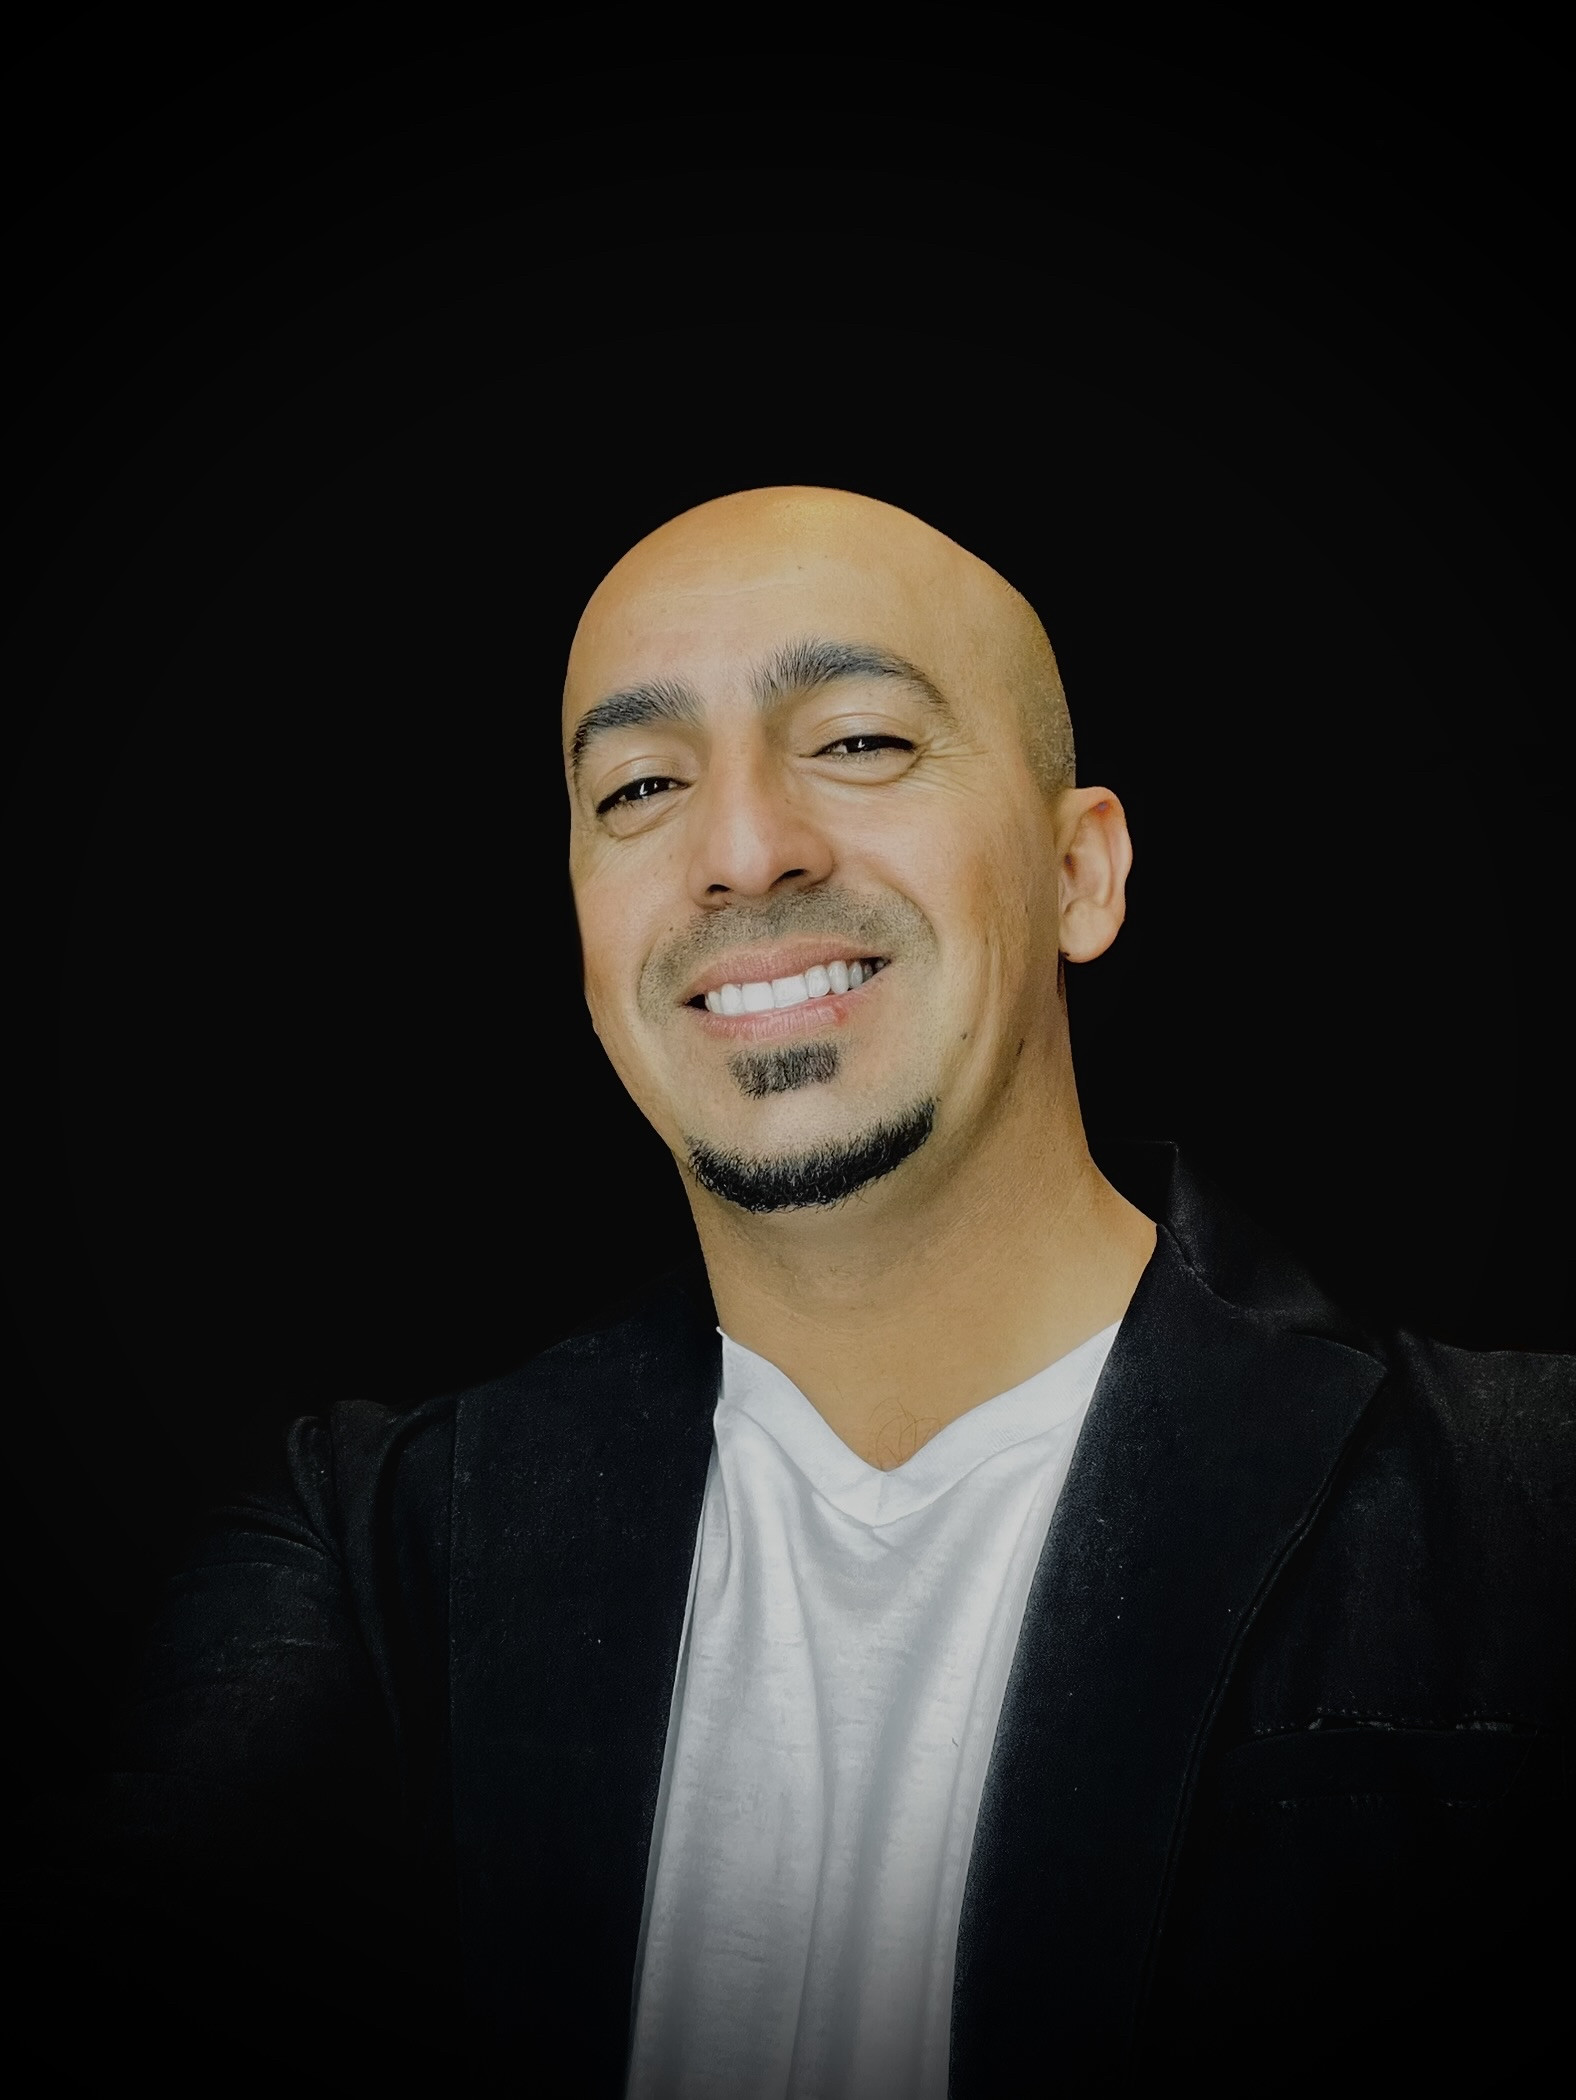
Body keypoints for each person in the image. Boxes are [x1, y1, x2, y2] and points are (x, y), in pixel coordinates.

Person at [44, 488, 1572, 2094]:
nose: (743, 851)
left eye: (858, 742)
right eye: (641, 786)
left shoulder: (1530, 1506)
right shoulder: (369, 1547)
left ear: (1080, 872)